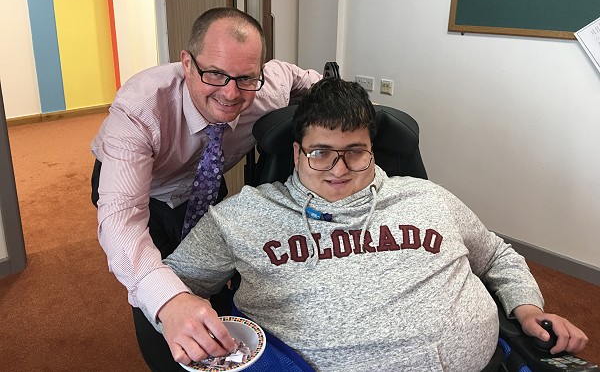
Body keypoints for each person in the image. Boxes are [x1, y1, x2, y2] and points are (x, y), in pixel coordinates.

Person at [147, 78, 589, 371]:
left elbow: (495, 255)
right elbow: (170, 285)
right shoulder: (241, 217)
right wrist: (174, 310)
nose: (339, 169)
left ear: (372, 149)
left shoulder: (427, 197)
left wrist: (527, 308)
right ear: (297, 153)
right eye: (321, 152)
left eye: (355, 151)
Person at [90, 7, 322, 371]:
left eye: (245, 78)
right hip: (146, 189)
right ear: (187, 63)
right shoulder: (140, 109)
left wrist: (343, 101)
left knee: (209, 267)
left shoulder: (267, 89)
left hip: (205, 183)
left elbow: (299, 78)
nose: (230, 93)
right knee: (160, 283)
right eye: (215, 74)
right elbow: (121, 220)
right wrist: (169, 301)